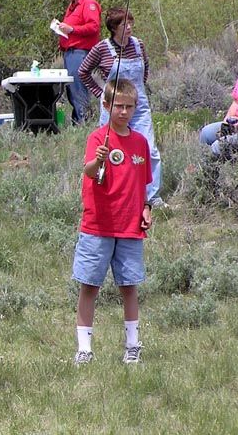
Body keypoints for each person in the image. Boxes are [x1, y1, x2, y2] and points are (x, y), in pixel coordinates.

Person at [72, 79, 152, 366]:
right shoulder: (97, 139)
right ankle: (84, 348)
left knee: (129, 286)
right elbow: (90, 172)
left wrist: (146, 207)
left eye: (129, 106)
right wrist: (98, 160)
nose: (124, 112)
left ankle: (132, 345)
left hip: (130, 228)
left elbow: (143, 184)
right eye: (118, 106)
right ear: (106, 106)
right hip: (98, 226)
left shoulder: (140, 142)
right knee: (89, 286)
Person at [78, 7, 164, 207]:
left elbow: (146, 67)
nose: (129, 28)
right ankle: (110, 189)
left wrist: (137, 93)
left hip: (139, 105)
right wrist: (102, 94)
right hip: (113, 107)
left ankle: (151, 197)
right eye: (124, 25)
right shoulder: (102, 48)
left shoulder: (138, 45)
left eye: (131, 23)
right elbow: (83, 72)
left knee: (149, 150)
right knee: (111, 149)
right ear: (114, 28)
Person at [58, 0, 102, 125]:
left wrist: (72, 29)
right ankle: (78, 121)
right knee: (72, 90)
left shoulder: (88, 4)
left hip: (81, 53)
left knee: (78, 88)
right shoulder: (72, 6)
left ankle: (84, 122)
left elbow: (94, 27)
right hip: (70, 53)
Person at [199, 46, 238, 155]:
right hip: (234, 126)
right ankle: (200, 169)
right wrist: (226, 122)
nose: (237, 50)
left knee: (217, 147)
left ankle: (216, 170)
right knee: (206, 133)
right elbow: (235, 102)